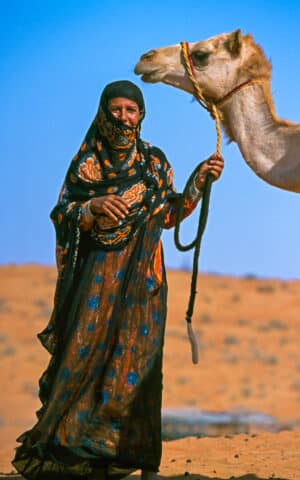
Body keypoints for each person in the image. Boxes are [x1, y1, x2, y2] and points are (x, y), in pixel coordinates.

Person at [12, 80, 224, 480]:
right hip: (96, 283)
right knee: (81, 363)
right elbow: (63, 213)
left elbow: (169, 215)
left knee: (138, 370)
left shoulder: (155, 164)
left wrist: (199, 181)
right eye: (117, 109)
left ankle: (140, 460)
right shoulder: (86, 163)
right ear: (103, 112)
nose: (124, 117)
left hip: (144, 285)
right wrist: (90, 207)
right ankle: (76, 455)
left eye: (131, 110)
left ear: (142, 115)